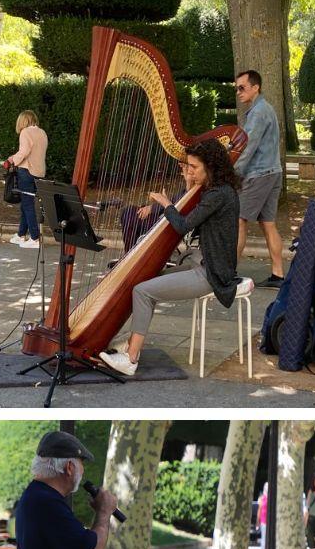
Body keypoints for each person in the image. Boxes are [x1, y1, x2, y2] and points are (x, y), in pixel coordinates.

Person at [98, 139, 244, 377]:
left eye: (194, 167)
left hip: (213, 273)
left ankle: (131, 359)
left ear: (211, 168)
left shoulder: (218, 195)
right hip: (201, 262)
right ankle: (132, 342)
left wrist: (166, 204)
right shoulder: (217, 190)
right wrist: (189, 183)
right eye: (189, 166)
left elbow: (183, 225)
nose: (190, 171)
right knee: (146, 279)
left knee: (143, 291)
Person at [233, 69, 285, 288]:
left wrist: (232, 173)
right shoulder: (264, 109)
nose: (238, 92)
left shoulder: (258, 112)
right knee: (268, 224)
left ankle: (227, 272)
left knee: (239, 220)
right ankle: (278, 275)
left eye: (242, 88)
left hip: (259, 174)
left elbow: (248, 147)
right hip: (273, 172)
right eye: (236, 88)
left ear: (256, 87)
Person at [4, 110, 49, 250]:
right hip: (39, 172)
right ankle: (21, 234)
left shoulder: (25, 132)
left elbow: (24, 152)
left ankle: (35, 238)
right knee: (26, 204)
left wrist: (12, 160)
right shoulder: (42, 132)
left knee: (27, 205)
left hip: (27, 171)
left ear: (22, 121)